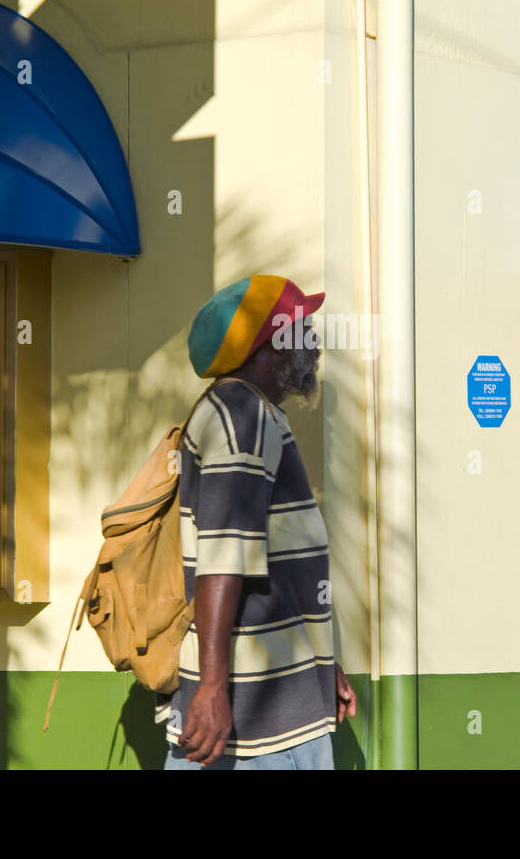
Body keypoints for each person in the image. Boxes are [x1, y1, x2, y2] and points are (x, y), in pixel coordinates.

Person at [162, 274, 357, 770]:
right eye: (303, 330)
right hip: (255, 731)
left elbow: (280, 566)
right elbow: (223, 559)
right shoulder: (240, 416)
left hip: (279, 713)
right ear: (271, 343)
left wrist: (321, 661)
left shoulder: (259, 414)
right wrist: (210, 688)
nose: (314, 343)